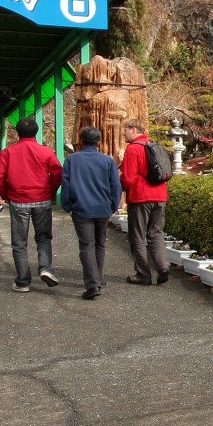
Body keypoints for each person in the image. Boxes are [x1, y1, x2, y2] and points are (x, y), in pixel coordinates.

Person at [0, 116, 63, 292]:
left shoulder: (8, 152)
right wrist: (50, 191)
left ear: (17, 132)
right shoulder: (45, 152)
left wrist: (5, 194)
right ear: (36, 132)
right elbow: (57, 173)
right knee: (43, 237)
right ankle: (45, 268)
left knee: (19, 242)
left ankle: (23, 281)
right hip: (42, 200)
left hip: (18, 201)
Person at [60, 124, 121, 300]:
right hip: (102, 209)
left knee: (86, 245)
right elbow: (115, 186)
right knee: (100, 244)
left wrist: (68, 206)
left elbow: (66, 185)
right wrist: (113, 206)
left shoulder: (71, 160)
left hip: (81, 209)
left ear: (81, 141)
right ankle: (98, 278)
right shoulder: (107, 161)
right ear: (98, 142)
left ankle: (92, 284)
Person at [119, 117, 169, 285]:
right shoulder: (154, 146)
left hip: (140, 197)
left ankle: (143, 274)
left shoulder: (133, 149)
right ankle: (163, 266)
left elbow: (128, 178)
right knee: (156, 233)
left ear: (134, 130)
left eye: (125, 130)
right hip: (160, 196)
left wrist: (119, 187)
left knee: (137, 236)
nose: (123, 133)